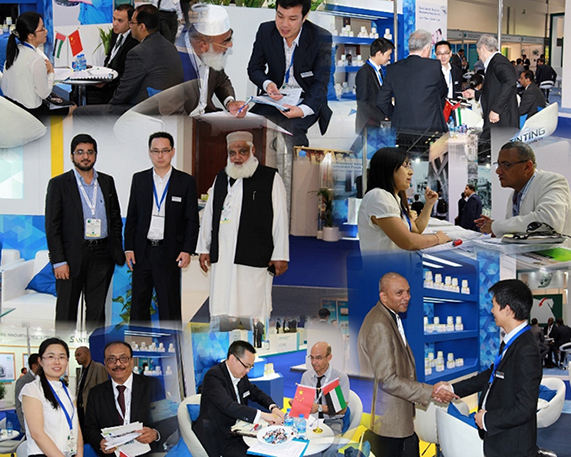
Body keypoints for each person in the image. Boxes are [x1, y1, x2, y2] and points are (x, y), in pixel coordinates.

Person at [358, 273, 456, 457]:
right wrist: (430, 391)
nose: (407, 297)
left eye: (408, 292)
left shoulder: (389, 317)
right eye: (399, 293)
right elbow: (387, 379)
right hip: (389, 425)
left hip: (397, 421)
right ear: (383, 296)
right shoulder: (379, 324)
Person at [197, 131, 289, 321]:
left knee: (252, 305)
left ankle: (253, 335)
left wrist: (280, 255)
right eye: (232, 153)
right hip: (223, 254)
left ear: (253, 150)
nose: (237, 157)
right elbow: (209, 215)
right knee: (222, 302)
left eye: (242, 151)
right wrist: (204, 248)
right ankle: (225, 333)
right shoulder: (221, 177)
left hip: (254, 254)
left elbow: (280, 218)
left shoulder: (270, 177)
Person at [451, 279, 541, 457]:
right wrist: (453, 389)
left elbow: (525, 408)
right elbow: (491, 375)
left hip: (512, 445)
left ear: (507, 310)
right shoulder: (511, 342)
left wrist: (487, 419)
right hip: (500, 438)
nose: (491, 311)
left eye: (494, 305)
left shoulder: (526, 349)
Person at [45, 134, 125, 328]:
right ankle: (63, 347)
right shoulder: (58, 184)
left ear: (96, 155)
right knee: (66, 311)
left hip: (102, 255)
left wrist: (114, 247)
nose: (85, 157)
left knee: (96, 312)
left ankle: (94, 347)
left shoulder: (107, 181)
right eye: (80, 152)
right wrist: (59, 261)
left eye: (90, 152)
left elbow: (115, 218)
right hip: (71, 256)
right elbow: (52, 225)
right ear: (72, 156)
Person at [124, 131, 199, 322]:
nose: (160, 155)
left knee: (169, 306)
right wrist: (129, 248)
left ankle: (170, 341)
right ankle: (139, 340)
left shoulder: (186, 181)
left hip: (170, 251)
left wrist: (187, 250)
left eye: (165, 150)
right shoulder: (139, 179)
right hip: (142, 251)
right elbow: (132, 216)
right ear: (149, 152)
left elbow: (191, 220)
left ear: (173, 152)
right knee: (139, 305)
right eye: (155, 151)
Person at [247, 0, 333, 147]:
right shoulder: (266, 31)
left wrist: (302, 110)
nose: (284, 24)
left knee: (291, 131)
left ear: (304, 16)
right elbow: (254, 68)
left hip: (306, 98)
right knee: (250, 127)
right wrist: (268, 84)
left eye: (292, 19)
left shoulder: (320, 37)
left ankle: (297, 162)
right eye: (280, 16)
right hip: (274, 99)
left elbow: (321, 82)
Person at [75, 4, 183, 116]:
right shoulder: (169, 46)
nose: (130, 26)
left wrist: (108, 109)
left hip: (144, 109)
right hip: (165, 107)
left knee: (79, 113)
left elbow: (123, 93)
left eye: (132, 23)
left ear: (142, 27)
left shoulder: (138, 52)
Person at [84, 341, 176, 456]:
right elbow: (89, 428)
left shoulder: (151, 385)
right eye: (111, 359)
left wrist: (155, 433)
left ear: (131, 361)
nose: (118, 364)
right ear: (105, 363)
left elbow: (168, 420)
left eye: (123, 358)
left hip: (145, 453)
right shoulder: (96, 393)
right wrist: (99, 442)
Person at [194, 340, 285, 457]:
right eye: (246, 366)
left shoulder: (240, 375)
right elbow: (228, 406)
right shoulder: (214, 376)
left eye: (251, 366)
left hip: (238, 430)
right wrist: (263, 415)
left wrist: (273, 407)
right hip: (219, 435)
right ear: (232, 359)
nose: (248, 371)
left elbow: (255, 392)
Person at [357, 147, 451, 252]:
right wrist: (437, 238)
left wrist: (429, 204)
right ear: (388, 168)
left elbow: (416, 229)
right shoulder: (378, 196)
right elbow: (408, 241)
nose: (411, 172)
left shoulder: (393, 198)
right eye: (405, 166)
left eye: (410, 166)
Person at [476, 141, 571, 238]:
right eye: (499, 165)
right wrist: (497, 229)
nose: (498, 171)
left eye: (507, 165)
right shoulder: (514, 195)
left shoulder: (552, 182)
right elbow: (519, 231)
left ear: (527, 167)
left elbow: (548, 222)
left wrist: (496, 226)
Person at [173, 4, 247, 117]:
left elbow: (222, 80)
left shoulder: (211, 55)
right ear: (203, 45)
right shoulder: (175, 59)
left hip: (206, 118)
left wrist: (230, 102)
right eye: (225, 41)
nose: (230, 45)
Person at [2, 12, 73, 118]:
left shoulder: (14, 53)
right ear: (31, 35)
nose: (46, 31)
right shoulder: (36, 59)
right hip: (31, 113)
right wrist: (51, 73)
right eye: (42, 29)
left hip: (13, 110)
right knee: (72, 108)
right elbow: (44, 93)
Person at [20, 338, 83, 457]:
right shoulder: (32, 390)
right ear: (40, 361)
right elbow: (37, 434)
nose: (57, 362)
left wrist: (79, 454)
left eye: (62, 357)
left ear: (67, 361)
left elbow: (77, 428)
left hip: (70, 453)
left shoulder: (68, 392)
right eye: (51, 357)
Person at [377, 29, 448, 135]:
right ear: (426, 49)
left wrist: (395, 115)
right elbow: (443, 91)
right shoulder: (433, 66)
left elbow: (381, 101)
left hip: (402, 129)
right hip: (430, 128)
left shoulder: (393, 69)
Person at [462, 34, 518, 139]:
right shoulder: (495, 62)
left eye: (478, 52)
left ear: (483, 48)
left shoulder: (498, 62)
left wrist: (496, 109)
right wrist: (476, 94)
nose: (479, 57)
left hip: (501, 122)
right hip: (497, 122)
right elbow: (494, 89)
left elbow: (510, 83)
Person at [88, 4, 139, 104]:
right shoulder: (115, 34)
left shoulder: (133, 41)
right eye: (114, 19)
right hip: (107, 78)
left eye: (120, 21)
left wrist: (107, 82)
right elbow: (110, 57)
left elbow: (126, 73)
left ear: (130, 23)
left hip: (116, 86)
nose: (115, 23)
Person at [300, 342, 350, 435]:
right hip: (311, 420)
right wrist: (297, 403)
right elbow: (305, 403)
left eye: (318, 358)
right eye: (312, 357)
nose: (313, 362)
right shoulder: (306, 376)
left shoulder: (339, 378)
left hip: (332, 421)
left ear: (329, 357)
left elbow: (343, 409)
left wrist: (319, 408)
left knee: (330, 444)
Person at [355, 37, 394, 133]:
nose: (389, 58)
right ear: (379, 53)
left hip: (378, 124)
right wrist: (382, 117)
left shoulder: (379, 71)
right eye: (388, 55)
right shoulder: (364, 72)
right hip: (368, 124)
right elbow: (362, 103)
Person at [75, 346, 108, 430]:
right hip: (81, 410)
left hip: (92, 411)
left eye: (78, 355)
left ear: (87, 354)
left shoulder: (98, 368)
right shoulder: (80, 371)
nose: (76, 358)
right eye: (75, 356)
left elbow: (103, 392)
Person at [15, 353, 40, 433]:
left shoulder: (43, 379)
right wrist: (25, 427)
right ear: (34, 366)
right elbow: (19, 405)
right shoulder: (23, 381)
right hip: (29, 428)